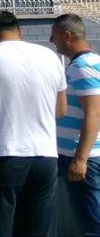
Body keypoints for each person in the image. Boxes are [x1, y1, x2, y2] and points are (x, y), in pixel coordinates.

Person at [0, 10, 66, 237]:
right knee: (40, 228)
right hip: (44, 156)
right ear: (20, 31)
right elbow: (60, 109)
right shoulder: (49, 56)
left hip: (1, 155)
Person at [51, 13, 100, 235]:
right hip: (86, 155)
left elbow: (94, 113)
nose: (52, 41)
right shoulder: (91, 62)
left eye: (54, 36)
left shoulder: (83, 66)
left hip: (85, 158)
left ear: (67, 36)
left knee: (91, 222)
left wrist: (80, 159)